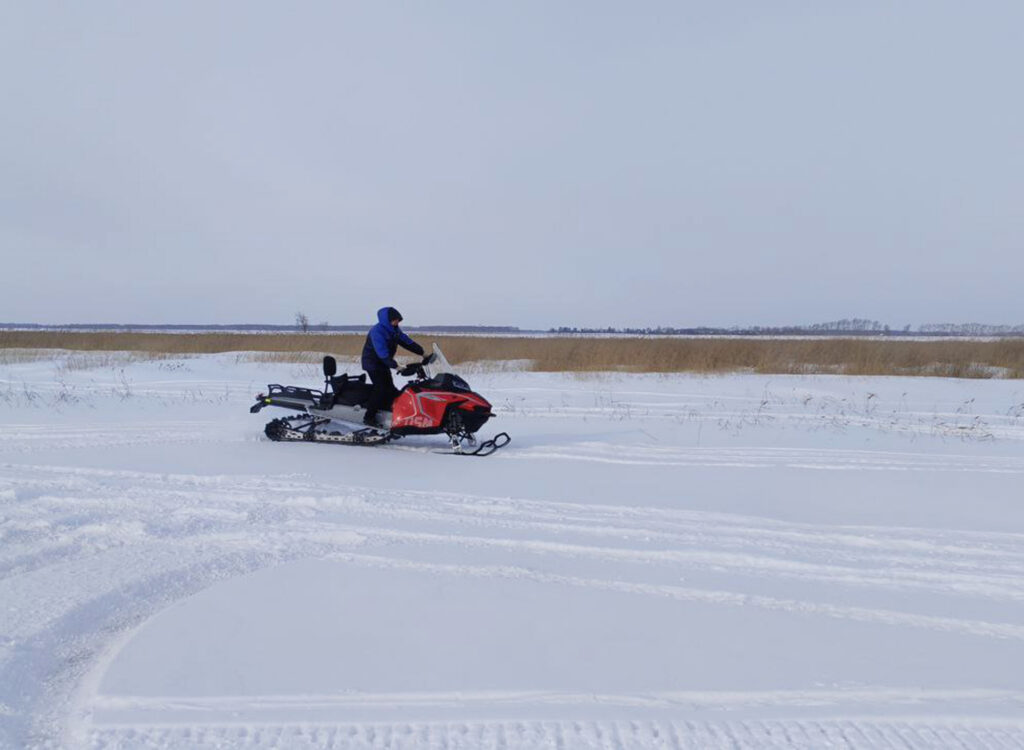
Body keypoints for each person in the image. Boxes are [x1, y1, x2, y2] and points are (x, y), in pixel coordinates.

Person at [361, 307, 424, 427]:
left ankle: (390, 412)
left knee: (390, 388)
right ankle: (369, 417)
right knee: (380, 388)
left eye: (398, 320)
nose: (397, 322)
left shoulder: (394, 330)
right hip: (372, 363)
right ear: (387, 320)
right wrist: (396, 367)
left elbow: (406, 341)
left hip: (383, 363)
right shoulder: (377, 331)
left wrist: (422, 352)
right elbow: (382, 353)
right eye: (395, 320)